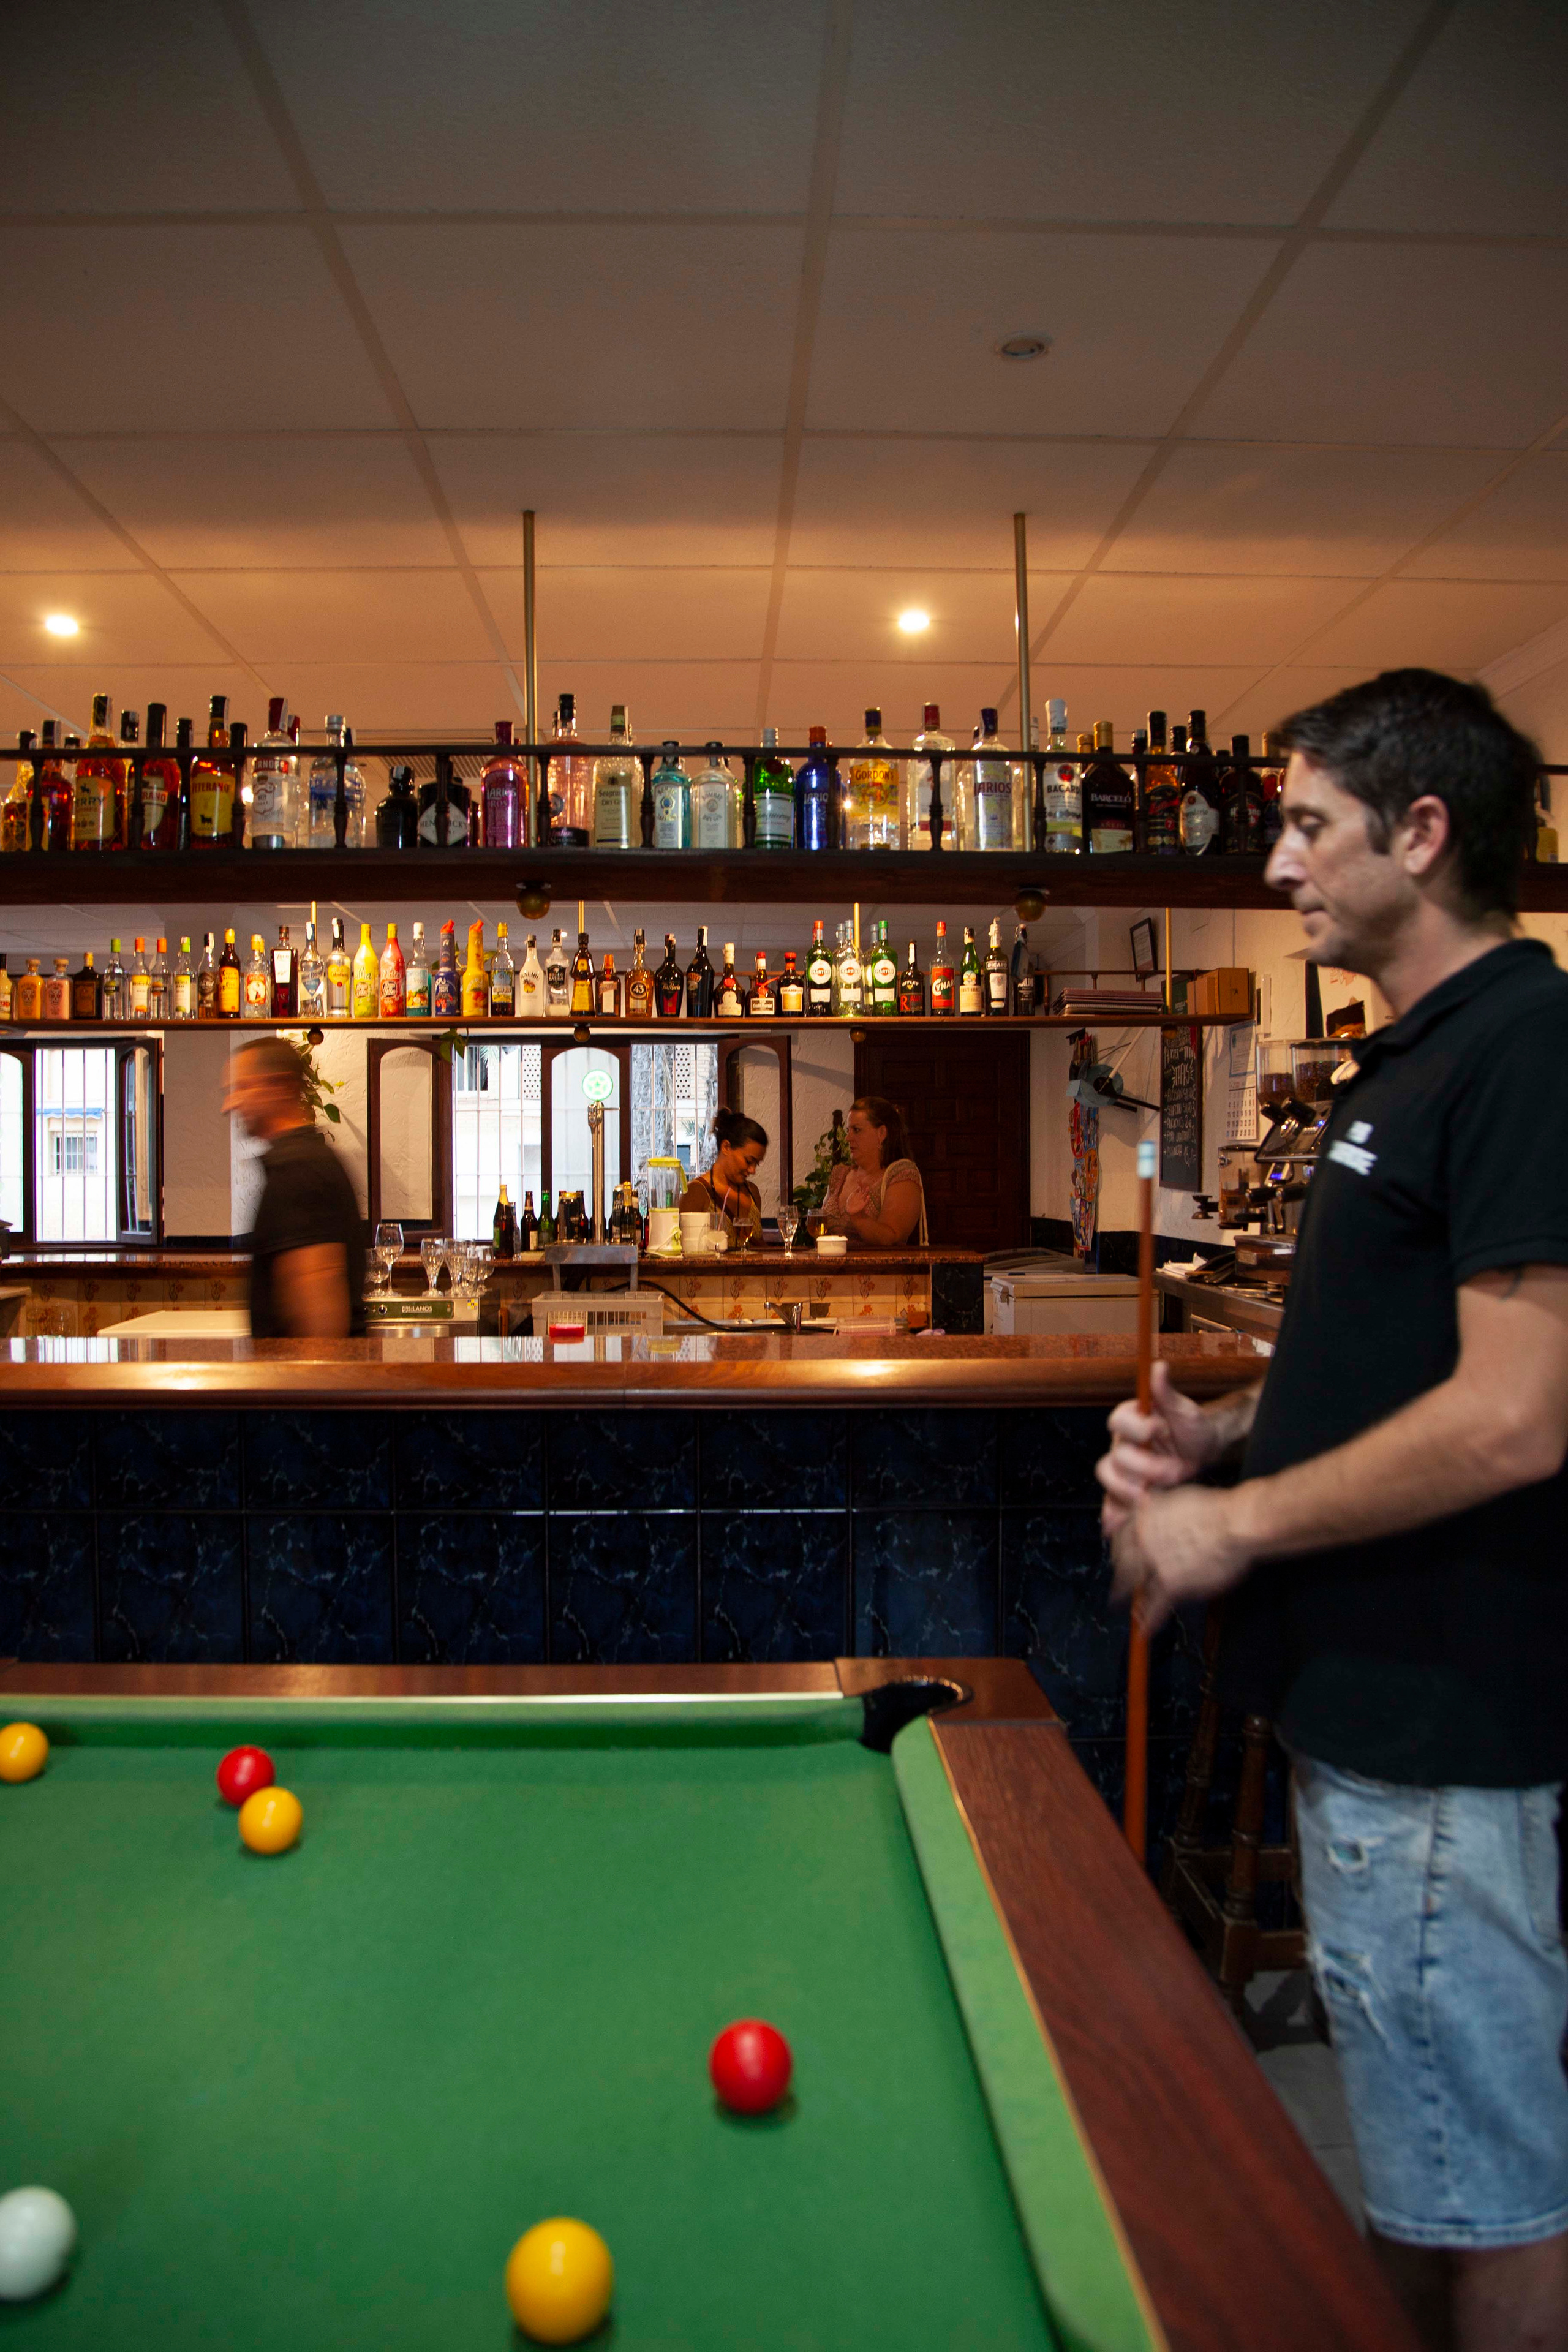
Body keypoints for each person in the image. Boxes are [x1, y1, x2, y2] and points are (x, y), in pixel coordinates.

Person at [1096, 669, 1568, 2352]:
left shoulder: (1525, 1043)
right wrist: (1223, 1435)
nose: (1279, 863)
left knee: (1491, 2191)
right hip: (1366, 1716)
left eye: (1306, 824)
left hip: (1441, 1723)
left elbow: (1518, 1415)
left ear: (1421, 833)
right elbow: (1396, 1361)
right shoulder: (1412, 1060)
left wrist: (1233, 1530)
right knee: (1423, 2168)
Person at [223, 1036, 366, 1338]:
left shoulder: (300, 1172)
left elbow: (321, 1329)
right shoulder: (301, 1162)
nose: (230, 1105)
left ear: (279, 1086)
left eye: (243, 1088)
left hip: (304, 1383)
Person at [815, 1096, 927, 1245]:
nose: (848, 1138)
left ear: (881, 1133)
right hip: (829, 1268)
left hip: (876, 1269)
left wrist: (859, 1218)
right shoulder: (840, 1175)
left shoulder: (901, 1175)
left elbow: (892, 1238)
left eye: (857, 1130)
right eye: (849, 1130)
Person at [680, 1107, 767, 1246]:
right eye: (749, 1161)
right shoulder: (696, 1192)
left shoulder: (752, 1193)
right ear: (726, 1147)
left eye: (757, 1163)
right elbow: (683, 1252)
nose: (753, 1170)